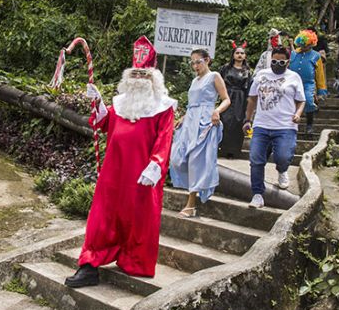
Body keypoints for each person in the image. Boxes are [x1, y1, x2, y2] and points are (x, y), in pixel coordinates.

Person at [65, 36, 177, 288]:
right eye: (135, 74)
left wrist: (156, 165)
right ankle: (89, 264)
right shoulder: (120, 103)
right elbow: (104, 124)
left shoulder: (163, 107)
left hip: (142, 174)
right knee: (102, 216)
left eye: (144, 75)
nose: (139, 79)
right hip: (114, 172)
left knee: (139, 220)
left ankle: (133, 261)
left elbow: (165, 140)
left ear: (153, 77)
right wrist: (98, 103)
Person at [169, 48, 231, 217]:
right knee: (176, 158)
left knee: (195, 161)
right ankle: (192, 191)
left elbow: (226, 99)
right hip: (190, 121)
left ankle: (191, 204)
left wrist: (217, 111)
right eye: (193, 63)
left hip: (206, 121)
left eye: (198, 62)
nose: (195, 65)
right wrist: (184, 117)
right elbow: (192, 104)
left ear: (207, 60)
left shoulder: (214, 76)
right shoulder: (195, 80)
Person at [243, 46, 306, 207]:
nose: (277, 64)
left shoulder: (294, 77)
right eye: (274, 61)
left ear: (288, 62)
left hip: (285, 126)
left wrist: (298, 113)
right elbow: (252, 98)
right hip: (261, 125)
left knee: (283, 157)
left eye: (281, 61)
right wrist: (247, 120)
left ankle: (282, 170)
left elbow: (301, 100)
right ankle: (257, 194)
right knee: (256, 159)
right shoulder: (261, 75)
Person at [219, 41, 252, 158]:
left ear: (245, 56)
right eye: (237, 53)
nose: (239, 55)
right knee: (225, 121)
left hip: (240, 99)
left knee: (238, 123)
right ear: (233, 54)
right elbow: (219, 83)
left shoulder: (247, 72)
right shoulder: (225, 69)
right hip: (227, 95)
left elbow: (249, 88)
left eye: (242, 53)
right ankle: (222, 149)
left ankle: (234, 151)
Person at [289, 30, 321, 134]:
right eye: (301, 45)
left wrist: (321, 90)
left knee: (308, 101)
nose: (303, 48)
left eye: (306, 46)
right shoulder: (293, 54)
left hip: (308, 84)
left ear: (311, 44)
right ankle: (290, 125)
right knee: (291, 103)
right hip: (293, 83)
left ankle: (309, 125)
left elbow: (320, 74)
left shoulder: (316, 56)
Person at [308, 26, 328, 99]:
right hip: (309, 61)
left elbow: (326, 50)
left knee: (321, 76)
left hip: (320, 60)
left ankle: (322, 94)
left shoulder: (321, 39)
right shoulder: (306, 41)